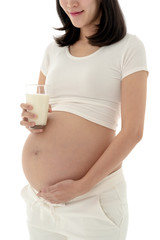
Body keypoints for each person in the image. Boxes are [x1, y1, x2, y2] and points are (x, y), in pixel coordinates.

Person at [20, 0, 149, 239]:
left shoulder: (129, 47)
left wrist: (81, 186)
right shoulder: (53, 50)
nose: (70, 3)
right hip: (42, 206)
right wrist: (32, 119)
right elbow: (43, 113)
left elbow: (134, 131)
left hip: (92, 201)